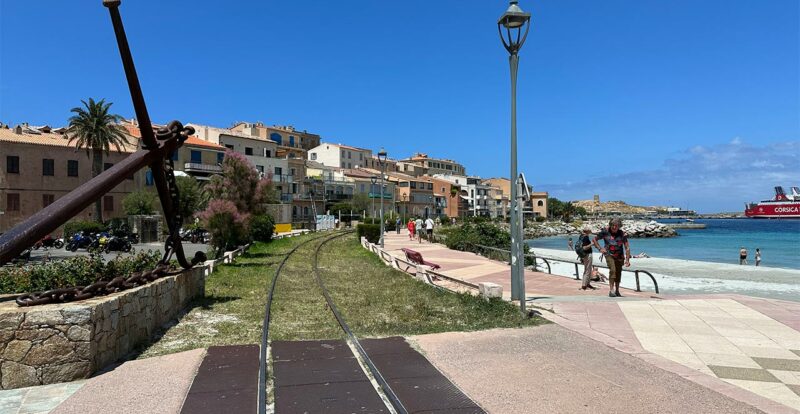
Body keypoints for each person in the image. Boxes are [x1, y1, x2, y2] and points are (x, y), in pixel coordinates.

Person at [593, 218, 630, 298]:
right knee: (613, 270)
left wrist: (627, 260)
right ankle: (611, 290)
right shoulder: (605, 232)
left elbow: (627, 247)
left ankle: (617, 290)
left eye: (616, 226)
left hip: (620, 256)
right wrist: (600, 249)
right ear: (610, 225)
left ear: (619, 226)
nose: (614, 227)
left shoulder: (622, 234)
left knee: (618, 272)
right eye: (612, 225)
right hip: (609, 254)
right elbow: (594, 239)